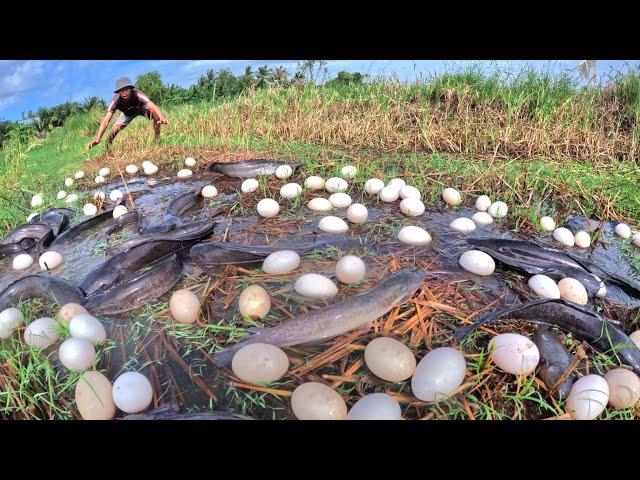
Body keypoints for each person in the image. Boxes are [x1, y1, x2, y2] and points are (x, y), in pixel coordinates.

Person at [88, 77, 168, 150]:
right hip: (127, 113)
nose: (124, 92)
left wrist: (162, 117)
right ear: (118, 92)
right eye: (121, 90)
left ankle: (156, 142)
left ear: (131, 89)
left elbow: (152, 105)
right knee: (115, 129)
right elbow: (106, 120)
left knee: (156, 116)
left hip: (140, 108)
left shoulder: (137, 93)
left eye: (126, 89)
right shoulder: (115, 101)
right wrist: (97, 138)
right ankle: (108, 148)